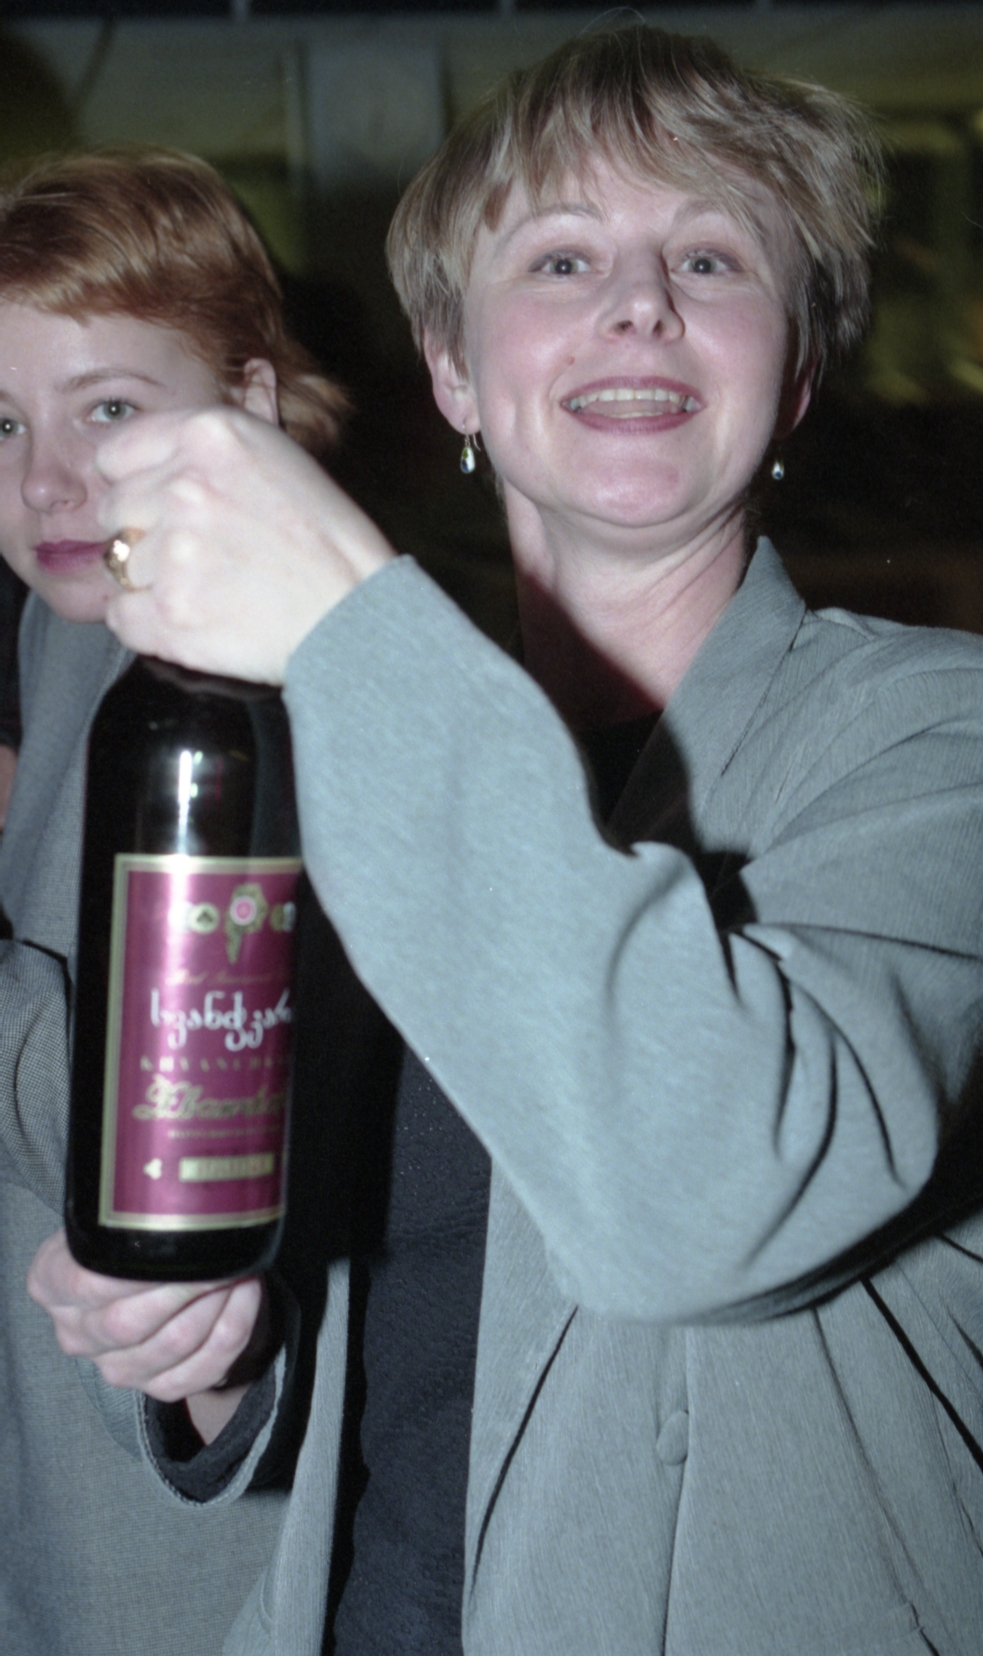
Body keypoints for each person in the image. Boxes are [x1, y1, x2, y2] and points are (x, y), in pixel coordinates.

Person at [30, 26, 983, 1656]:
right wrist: (212, 1359)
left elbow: (702, 1196)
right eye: (561, 257)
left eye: (710, 257)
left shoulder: (935, 742)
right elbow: (383, 1329)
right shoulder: (342, 767)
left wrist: (348, 621)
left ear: (800, 374)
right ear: (455, 373)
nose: (640, 302)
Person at [0, 148, 346, 1655]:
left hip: (180, 1539)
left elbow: (189, 1119)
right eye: (2, 423)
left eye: (109, 410)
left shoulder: (278, 692)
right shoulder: (82, 622)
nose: (44, 482)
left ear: (250, 407)